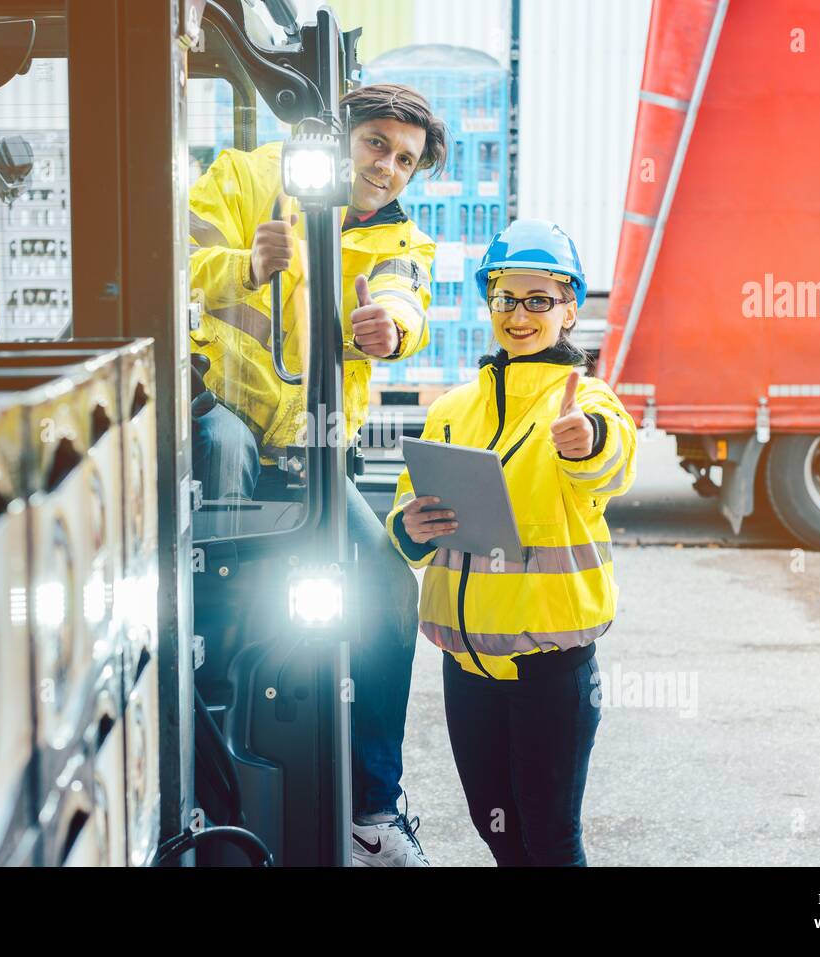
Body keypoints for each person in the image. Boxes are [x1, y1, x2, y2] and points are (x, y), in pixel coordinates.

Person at [187, 84, 447, 866]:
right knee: (219, 482)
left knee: (388, 587)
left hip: (315, 450)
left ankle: (373, 806)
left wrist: (390, 326)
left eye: (404, 159)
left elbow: (409, 301)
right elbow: (174, 261)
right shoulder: (243, 177)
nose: (387, 168)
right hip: (222, 415)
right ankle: (196, 731)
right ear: (342, 134)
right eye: (376, 144)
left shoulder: (399, 239)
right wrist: (244, 265)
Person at [385, 219, 638, 866]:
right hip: (466, 665)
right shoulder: (451, 409)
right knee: (497, 830)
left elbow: (610, 461)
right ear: (488, 303)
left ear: (570, 308)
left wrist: (588, 442)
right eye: (505, 298)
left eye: (538, 300)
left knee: (549, 839)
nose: (519, 315)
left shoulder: (588, 400)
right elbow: (403, 515)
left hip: (549, 665)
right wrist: (408, 527)